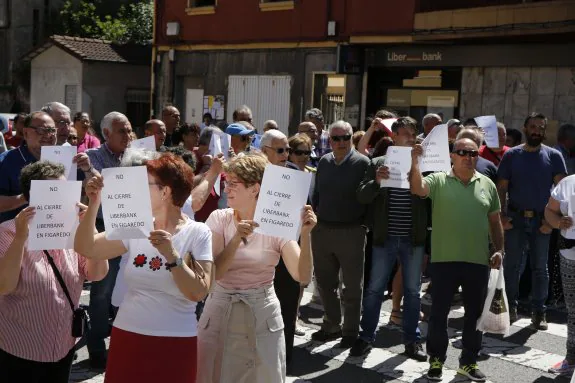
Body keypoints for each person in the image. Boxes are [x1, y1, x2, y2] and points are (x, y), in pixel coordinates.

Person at [75, 153, 214, 383]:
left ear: (165, 191)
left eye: (144, 184)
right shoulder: (136, 225)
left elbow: (198, 292)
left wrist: (172, 255)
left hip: (175, 341)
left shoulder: (198, 232)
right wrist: (94, 203)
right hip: (128, 337)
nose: (137, 189)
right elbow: (87, 248)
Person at [197, 153, 316, 382]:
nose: (227, 188)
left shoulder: (276, 224)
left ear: (255, 188)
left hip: (262, 315)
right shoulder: (219, 219)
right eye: (226, 182)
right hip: (220, 310)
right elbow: (212, 277)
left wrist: (306, 235)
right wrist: (235, 240)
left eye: (234, 183)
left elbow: (302, 275)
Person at [0, 161, 108, 383]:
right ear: (32, 197)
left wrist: (91, 226)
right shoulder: (8, 232)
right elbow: (4, 286)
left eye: (64, 191)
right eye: (53, 193)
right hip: (19, 349)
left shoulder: (74, 230)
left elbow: (96, 274)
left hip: (63, 346)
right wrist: (21, 238)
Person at [410, 137, 504, 382]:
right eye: (462, 152)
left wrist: (499, 250)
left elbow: (495, 221)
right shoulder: (439, 179)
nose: (468, 157)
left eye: (473, 153)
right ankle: (437, 361)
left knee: (474, 316)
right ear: (452, 155)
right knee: (439, 314)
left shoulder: (487, 184)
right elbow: (417, 188)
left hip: (477, 261)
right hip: (444, 261)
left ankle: (468, 362)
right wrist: (415, 161)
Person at [353, 117, 427, 361]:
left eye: (412, 133)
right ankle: (366, 337)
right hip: (385, 237)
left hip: (412, 238)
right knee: (374, 289)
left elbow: (432, 196)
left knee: (413, 291)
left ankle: (412, 340)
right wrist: (376, 181)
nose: (408, 137)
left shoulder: (425, 163)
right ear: (393, 137)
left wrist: (418, 166)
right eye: (403, 133)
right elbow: (362, 197)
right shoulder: (377, 163)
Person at [498, 112, 567, 328]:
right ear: (525, 128)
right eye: (533, 126)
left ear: (545, 132)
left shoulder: (553, 156)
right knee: (511, 266)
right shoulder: (512, 155)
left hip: (542, 221)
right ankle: (510, 308)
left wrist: (552, 221)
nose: (537, 130)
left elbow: (563, 190)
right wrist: (502, 216)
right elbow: (501, 188)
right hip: (515, 219)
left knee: (540, 268)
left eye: (541, 127)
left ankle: (539, 312)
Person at [311, 120, 369, 348]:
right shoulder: (324, 162)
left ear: (352, 138)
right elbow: (316, 194)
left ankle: (350, 331)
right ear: (330, 140)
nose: (341, 142)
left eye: (346, 137)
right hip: (323, 230)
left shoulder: (363, 163)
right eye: (336, 138)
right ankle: (332, 324)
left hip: (352, 232)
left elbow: (368, 197)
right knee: (325, 284)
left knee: (352, 287)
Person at [85, 111, 133, 369]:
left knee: (129, 288)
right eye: (122, 131)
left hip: (133, 229)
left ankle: (123, 345)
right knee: (102, 291)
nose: (128, 136)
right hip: (104, 229)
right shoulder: (91, 159)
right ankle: (96, 349)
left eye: (129, 130)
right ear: (106, 134)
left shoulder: (136, 157)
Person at [0, 112, 93, 223]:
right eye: (41, 130)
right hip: (16, 235)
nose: (48, 135)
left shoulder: (67, 158)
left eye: (52, 130)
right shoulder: (6, 161)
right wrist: (26, 197)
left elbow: (94, 185)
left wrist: (88, 168)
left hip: (59, 231)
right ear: (26, 133)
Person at [261, 130, 301, 366]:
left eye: (288, 150)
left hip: (287, 249)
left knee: (287, 304)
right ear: (264, 151)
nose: (286, 154)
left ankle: (285, 357)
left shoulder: (295, 175)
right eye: (280, 150)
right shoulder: (254, 175)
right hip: (260, 251)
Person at [545, 175, 575, 376]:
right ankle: (571, 358)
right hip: (569, 256)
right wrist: (557, 222)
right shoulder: (568, 182)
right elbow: (550, 210)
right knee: (573, 311)